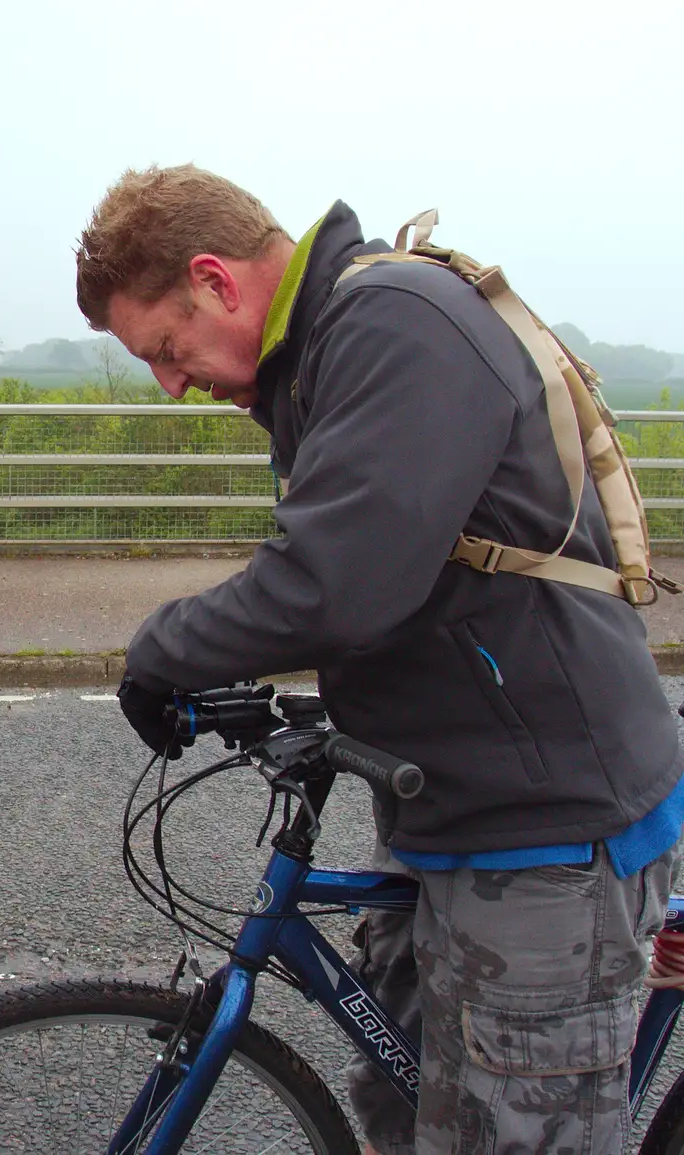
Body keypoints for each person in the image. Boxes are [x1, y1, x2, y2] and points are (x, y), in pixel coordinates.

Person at [75, 164, 684, 1155]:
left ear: (216, 281)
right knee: (400, 1101)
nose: (171, 384)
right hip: (453, 791)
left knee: (507, 1132)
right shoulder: (317, 358)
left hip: (546, 825)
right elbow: (412, 576)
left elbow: (338, 579)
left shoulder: (395, 324)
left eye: (167, 348)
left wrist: (161, 655)